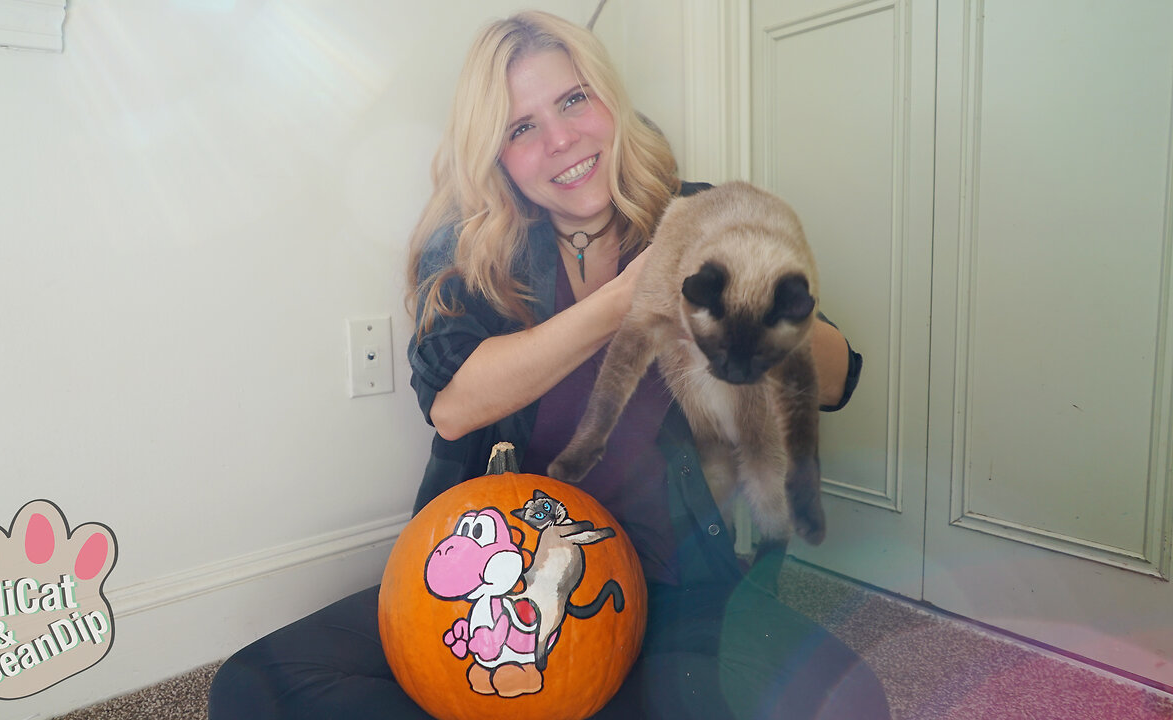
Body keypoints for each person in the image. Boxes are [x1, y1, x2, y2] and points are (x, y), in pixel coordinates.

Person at [209, 10, 886, 720]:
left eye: (572, 99)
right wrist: (624, 297)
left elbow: (836, 382)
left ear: (609, 101)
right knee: (254, 687)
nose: (561, 138)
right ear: (495, 155)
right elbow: (452, 402)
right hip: (494, 580)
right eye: (520, 126)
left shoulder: (695, 214)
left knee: (851, 704)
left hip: (669, 586)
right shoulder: (473, 252)